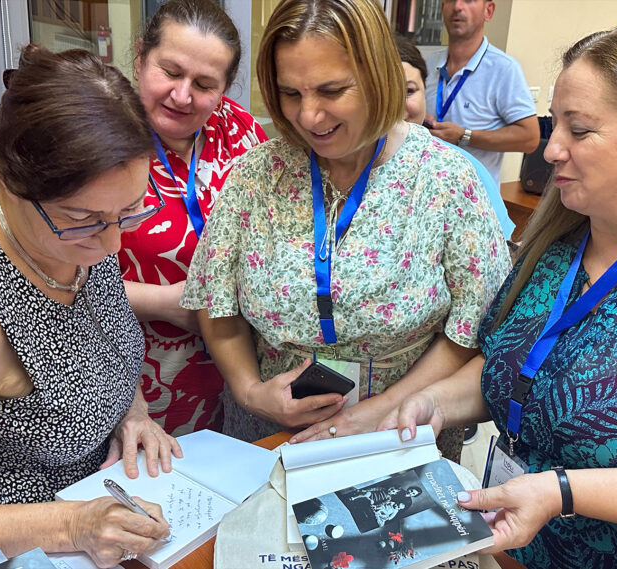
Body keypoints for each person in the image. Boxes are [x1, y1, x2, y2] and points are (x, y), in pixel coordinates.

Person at [382, 11, 617, 569]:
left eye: (578, 130)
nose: (551, 148)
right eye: (553, 123)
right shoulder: (558, 244)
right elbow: (507, 368)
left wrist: (560, 491)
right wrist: (432, 401)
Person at [179, 0, 511, 463]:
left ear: (378, 76)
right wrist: (252, 392)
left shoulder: (444, 178)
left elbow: (469, 330)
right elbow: (219, 308)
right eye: (290, 94)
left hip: (398, 432)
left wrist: (376, 411)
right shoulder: (257, 175)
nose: (310, 116)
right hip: (270, 430)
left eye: (332, 90)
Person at [0, 44, 182, 567]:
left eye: (130, 212)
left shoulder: (79, 228)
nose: (112, 248)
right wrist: (71, 524)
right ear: (14, 182)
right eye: (83, 218)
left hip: (107, 513)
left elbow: (99, 341)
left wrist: (130, 410)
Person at [119, 0, 268, 437]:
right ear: (141, 56)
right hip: (135, 374)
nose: (182, 96)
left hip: (236, 363)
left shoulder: (240, 132)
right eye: (170, 71)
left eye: (204, 83)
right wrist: (170, 302)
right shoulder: (98, 137)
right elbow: (54, 276)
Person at [394, 33, 515, 244]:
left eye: (408, 92)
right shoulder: (343, 164)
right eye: (383, 93)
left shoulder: (463, 170)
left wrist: (464, 136)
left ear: (425, 91)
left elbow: (500, 252)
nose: (395, 106)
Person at [424, 0, 540, 184]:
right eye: (451, 0)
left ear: (489, 10)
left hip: (475, 201)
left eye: (469, 0)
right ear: (442, 7)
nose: (458, 7)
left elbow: (530, 138)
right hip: (430, 192)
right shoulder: (430, 62)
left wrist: (464, 136)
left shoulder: (504, 69)